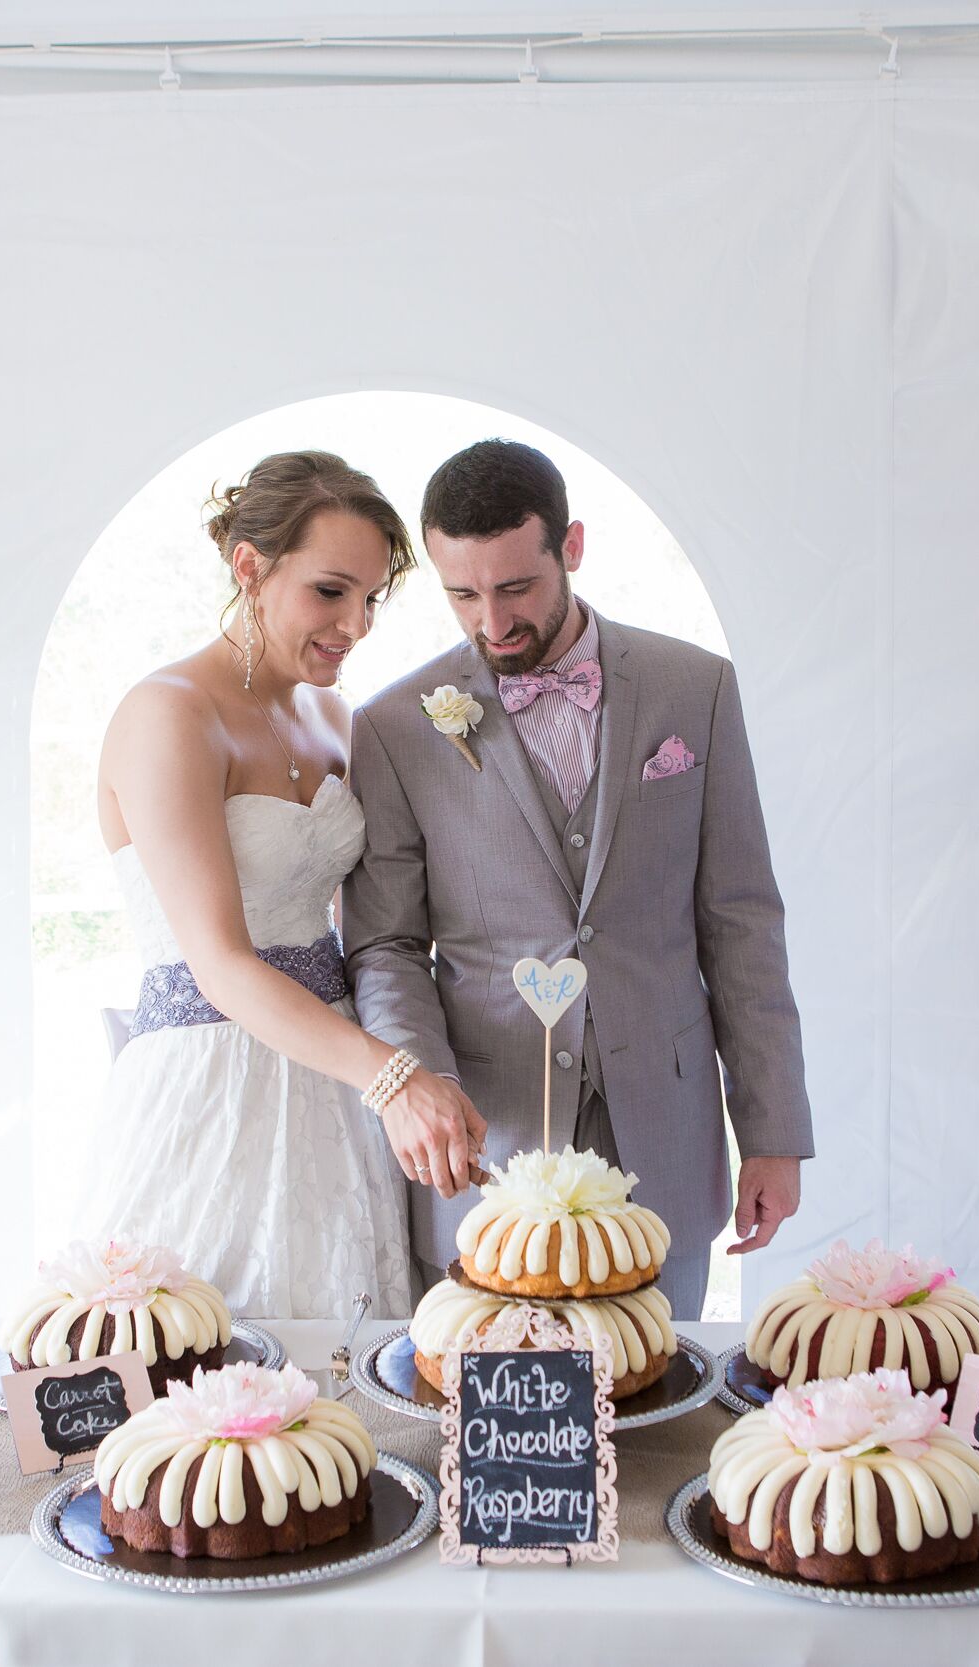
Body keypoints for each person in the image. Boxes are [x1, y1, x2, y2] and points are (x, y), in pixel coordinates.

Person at [341, 439, 814, 1315]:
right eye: (463, 594)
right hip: (488, 1144)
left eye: (516, 586)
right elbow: (387, 944)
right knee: (501, 1408)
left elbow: (741, 918)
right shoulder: (395, 727)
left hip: (664, 1138)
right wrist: (422, 1086)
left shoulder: (695, 689)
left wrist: (773, 1133)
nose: (492, 622)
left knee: (656, 1386)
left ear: (574, 546)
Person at [76, 450, 487, 1319]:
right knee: (205, 1382)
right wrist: (394, 1079)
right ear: (250, 566)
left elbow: (372, 925)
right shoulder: (169, 714)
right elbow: (219, 963)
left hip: (335, 1095)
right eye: (332, 591)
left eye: (372, 599)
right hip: (211, 1090)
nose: (356, 625)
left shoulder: (333, 716)